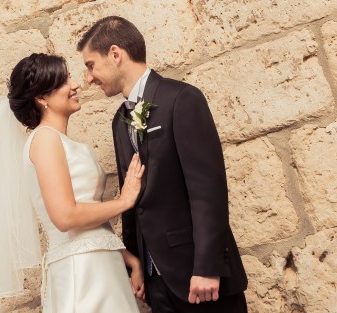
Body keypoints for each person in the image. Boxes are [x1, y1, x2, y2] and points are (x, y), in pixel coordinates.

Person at [0, 53, 144, 312]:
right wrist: (124, 201)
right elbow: (66, 217)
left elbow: (90, 222)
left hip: (101, 266)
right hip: (81, 273)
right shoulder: (45, 140)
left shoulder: (60, 141)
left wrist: (129, 260)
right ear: (41, 98)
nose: (75, 85)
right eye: (63, 81)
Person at [77, 16, 249, 312]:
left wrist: (208, 267)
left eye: (91, 65)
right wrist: (136, 264)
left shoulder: (181, 99)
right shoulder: (120, 121)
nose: (89, 78)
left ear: (115, 54)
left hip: (199, 277)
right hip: (157, 284)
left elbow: (207, 190)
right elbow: (133, 201)